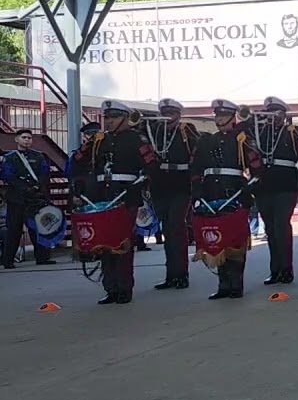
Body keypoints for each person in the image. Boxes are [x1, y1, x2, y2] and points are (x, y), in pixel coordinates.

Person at [67, 101, 160, 304]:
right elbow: (77, 163)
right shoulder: (99, 140)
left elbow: (152, 165)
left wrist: (142, 182)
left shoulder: (137, 139)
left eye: (114, 117)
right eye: (107, 117)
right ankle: (110, 288)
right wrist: (80, 183)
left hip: (127, 196)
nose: (109, 121)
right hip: (102, 197)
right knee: (104, 243)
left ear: (125, 118)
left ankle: (124, 288)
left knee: (123, 242)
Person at [191, 99, 266, 299]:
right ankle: (223, 285)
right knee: (217, 238)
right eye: (217, 115)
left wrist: (249, 186)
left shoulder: (242, 138)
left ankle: (236, 285)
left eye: (223, 115)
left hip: (234, 191)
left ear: (232, 117)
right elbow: (195, 167)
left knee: (235, 240)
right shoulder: (206, 140)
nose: (219, 119)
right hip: (211, 193)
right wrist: (197, 187)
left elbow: (257, 166)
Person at [138, 99, 200, 289]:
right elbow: (141, 140)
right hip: (160, 184)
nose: (168, 117)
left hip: (180, 183)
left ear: (178, 115)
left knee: (176, 226)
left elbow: (197, 151)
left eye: (172, 113)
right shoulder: (155, 131)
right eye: (165, 113)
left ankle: (182, 274)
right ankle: (170, 275)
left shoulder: (186, 130)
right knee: (166, 229)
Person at [253, 97, 298, 285]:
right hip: (264, 186)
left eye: (276, 112)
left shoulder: (292, 132)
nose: (272, 116)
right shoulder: (259, 132)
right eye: (269, 112)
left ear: (283, 114)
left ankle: (286, 269)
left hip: (286, 184)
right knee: (270, 229)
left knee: (281, 226)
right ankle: (275, 270)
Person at [1, 129, 56, 268]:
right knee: (14, 229)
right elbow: (7, 175)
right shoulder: (10, 157)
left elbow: (44, 172)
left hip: (34, 198)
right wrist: (24, 187)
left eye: (29, 138)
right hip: (16, 199)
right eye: (24, 137)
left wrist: (37, 186)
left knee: (38, 228)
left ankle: (42, 258)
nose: (27, 140)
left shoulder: (38, 156)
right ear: (17, 139)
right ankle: (8, 261)